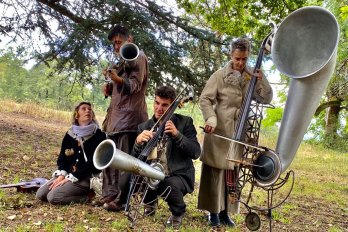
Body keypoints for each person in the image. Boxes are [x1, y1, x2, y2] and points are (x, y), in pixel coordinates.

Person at [197, 38, 273, 227]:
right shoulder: (219, 76)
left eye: (244, 59)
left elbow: (265, 98)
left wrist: (261, 79)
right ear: (231, 55)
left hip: (239, 134)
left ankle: (225, 213)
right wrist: (211, 118)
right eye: (237, 59)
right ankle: (212, 213)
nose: (240, 63)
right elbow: (205, 99)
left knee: (232, 173)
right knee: (216, 172)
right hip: (219, 131)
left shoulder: (251, 76)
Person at [93, 24, 149, 211]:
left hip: (129, 120)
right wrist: (109, 86)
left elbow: (134, 85)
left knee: (123, 161)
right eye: (114, 44)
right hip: (115, 119)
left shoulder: (138, 56)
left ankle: (121, 199)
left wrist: (116, 79)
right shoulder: (121, 61)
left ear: (129, 40)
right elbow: (118, 87)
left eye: (118, 42)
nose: (116, 47)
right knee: (110, 159)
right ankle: (109, 194)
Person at [132, 85, 201, 229]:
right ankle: (149, 203)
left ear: (172, 106)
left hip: (178, 175)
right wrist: (138, 142)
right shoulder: (144, 126)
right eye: (157, 103)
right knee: (129, 177)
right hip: (152, 173)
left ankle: (178, 212)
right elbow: (135, 161)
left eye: (164, 105)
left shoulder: (184, 122)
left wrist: (177, 135)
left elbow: (196, 152)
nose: (159, 108)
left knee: (166, 183)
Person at [36, 102, 106, 204]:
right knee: (41, 194)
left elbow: (92, 163)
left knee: (53, 197)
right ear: (76, 115)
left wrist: (71, 178)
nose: (88, 111)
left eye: (90, 109)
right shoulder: (70, 134)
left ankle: (88, 197)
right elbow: (62, 158)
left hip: (85, 177)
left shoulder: (99, 136)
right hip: (68, 174)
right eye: (84, 109)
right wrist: (62, 175)